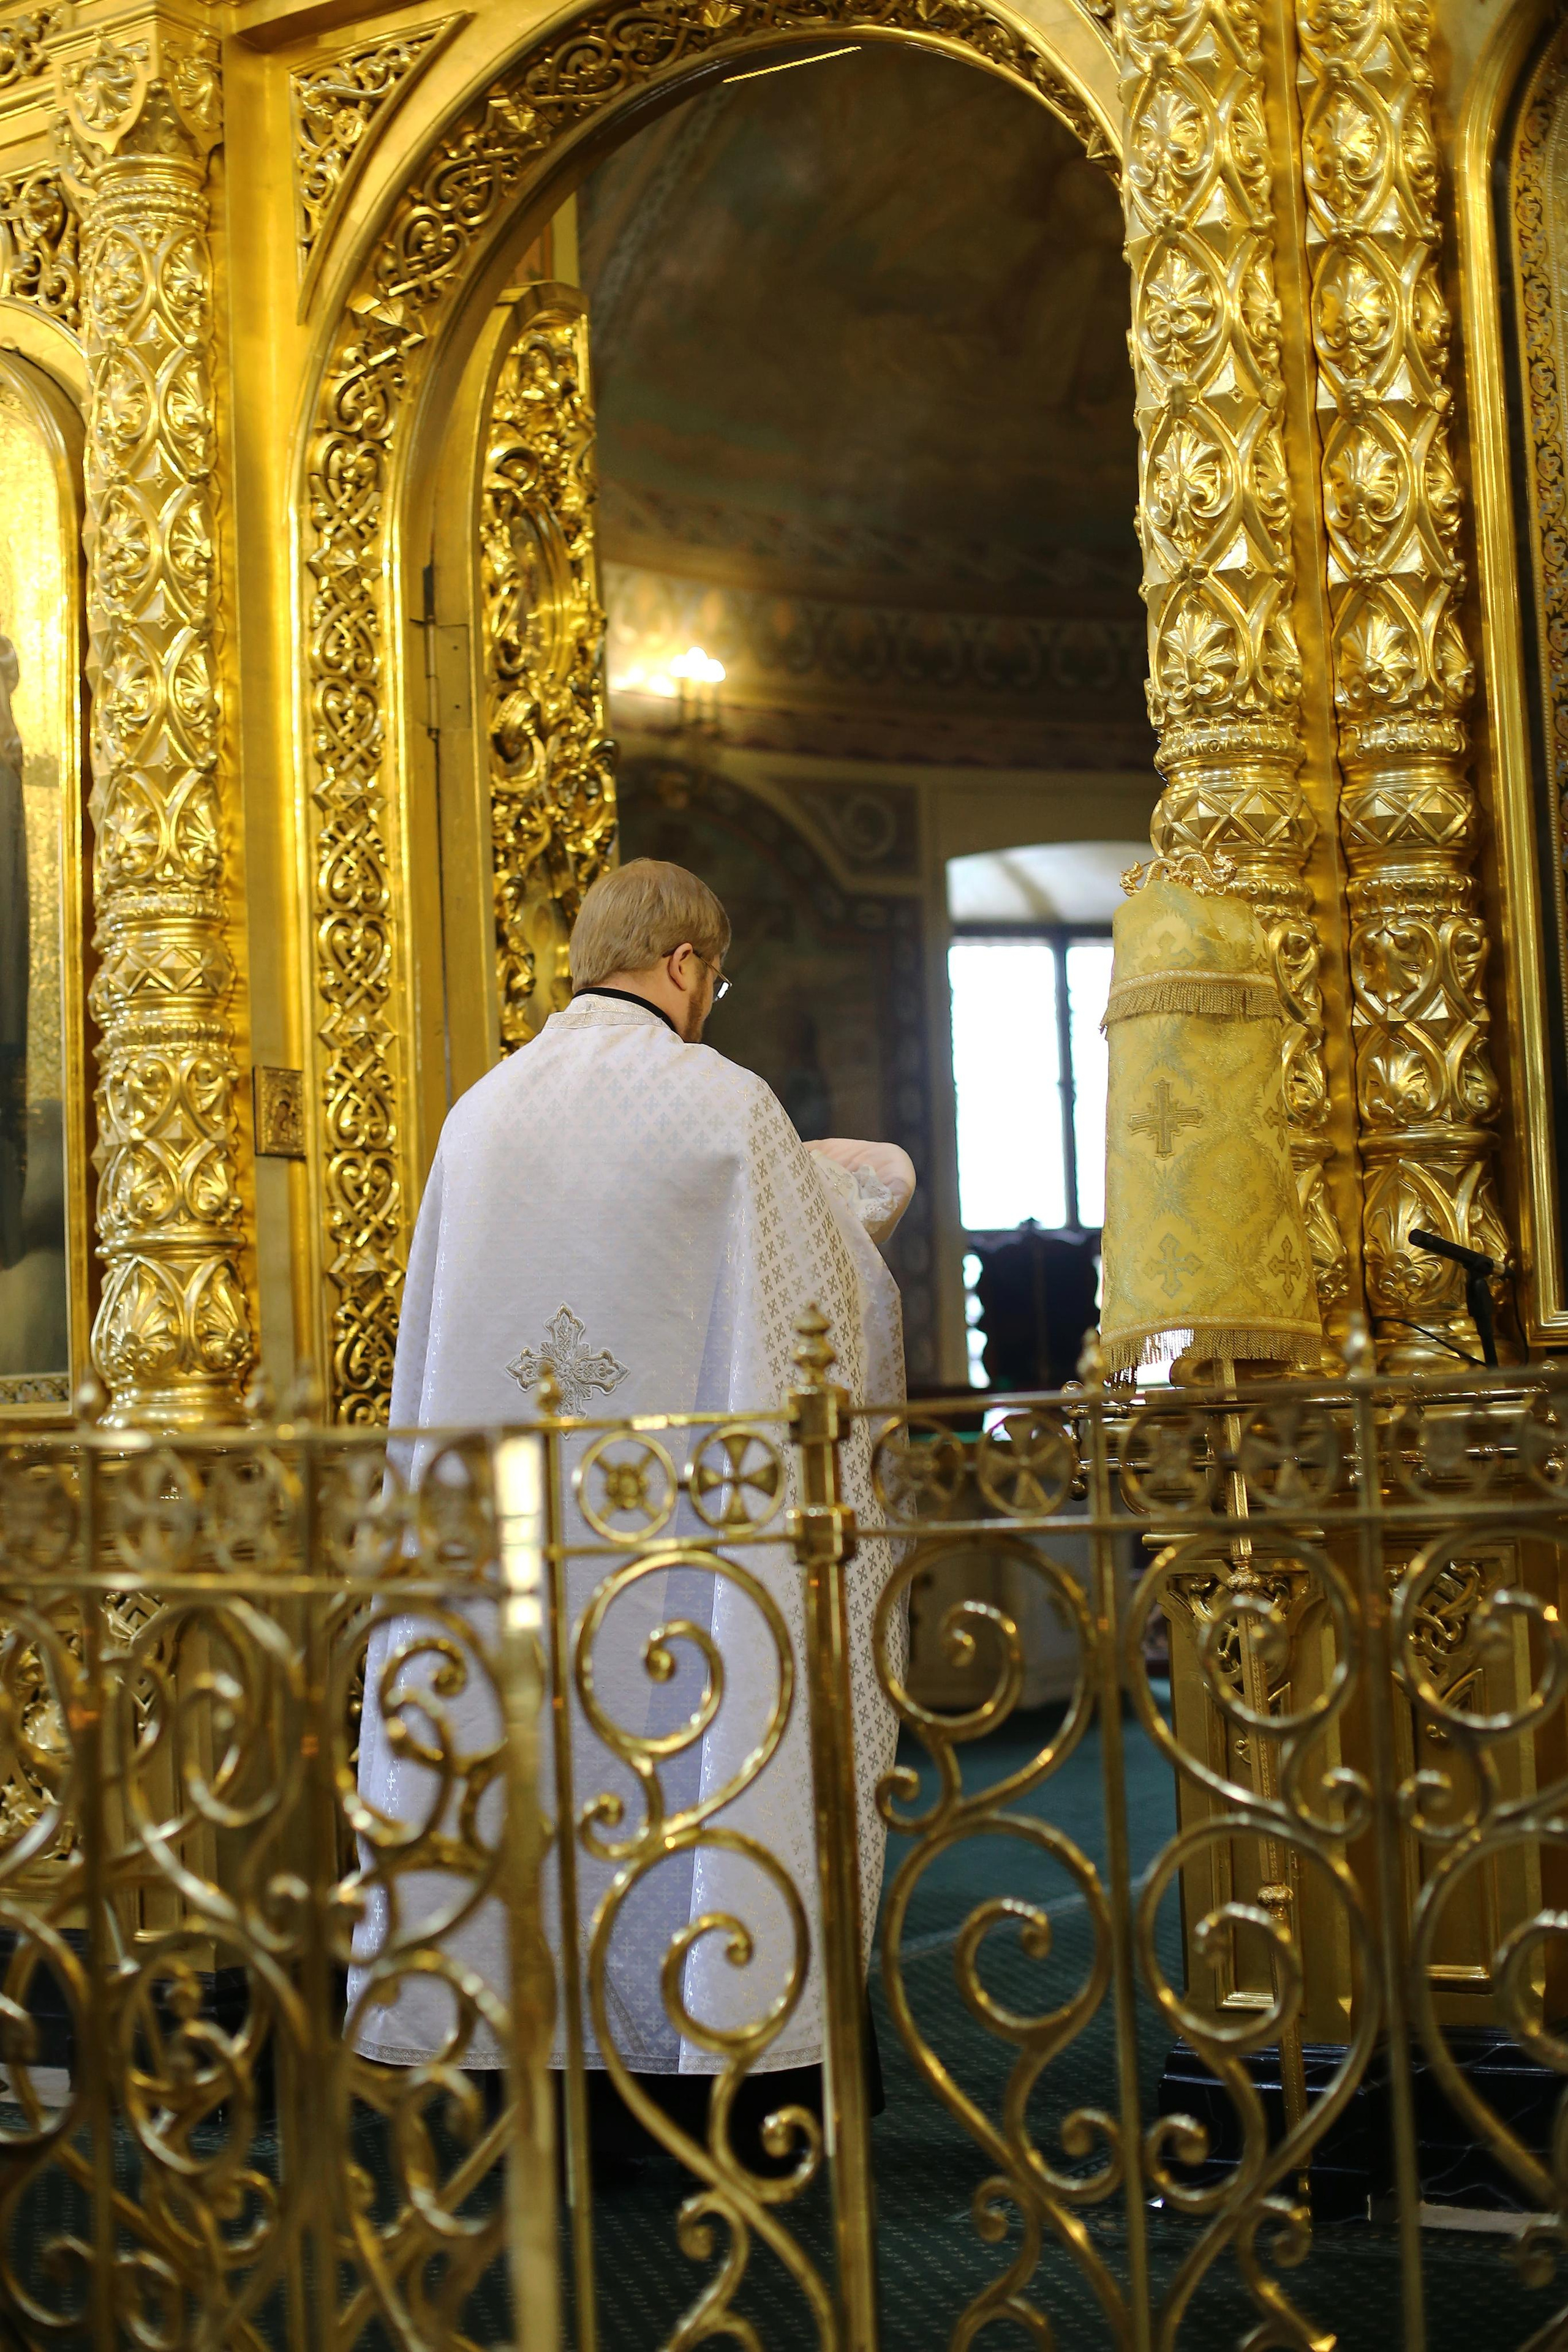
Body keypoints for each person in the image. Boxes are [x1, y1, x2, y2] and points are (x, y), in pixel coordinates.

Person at [349, 858, 914, 2156]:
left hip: (504, 1545)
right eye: (713, 976)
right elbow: (814, 1307)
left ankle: (491, 2071)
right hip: (680, 1558)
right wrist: (862, 1198)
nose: (710, 998)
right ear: (683, 965)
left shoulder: (479, 1117)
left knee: (513, 1751)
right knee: (690, 1748)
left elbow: (431, 1346)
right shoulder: (723, 1108)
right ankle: (713, 2053)